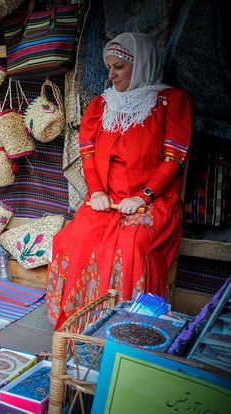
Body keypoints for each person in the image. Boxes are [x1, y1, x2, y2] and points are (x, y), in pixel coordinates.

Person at [46, 33, 194, 329]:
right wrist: (97, 191)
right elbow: (87, 153)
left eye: (119, 67)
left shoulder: (170, 102)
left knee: (131, 243)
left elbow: (174, 158)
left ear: (142, 65)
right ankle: (81, 321)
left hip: (152, 201)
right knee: (76, 235)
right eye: (109, 67)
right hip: (108, 198)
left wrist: (144, 197)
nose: (111, 75)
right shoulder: (102, 105)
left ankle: (126, 326)